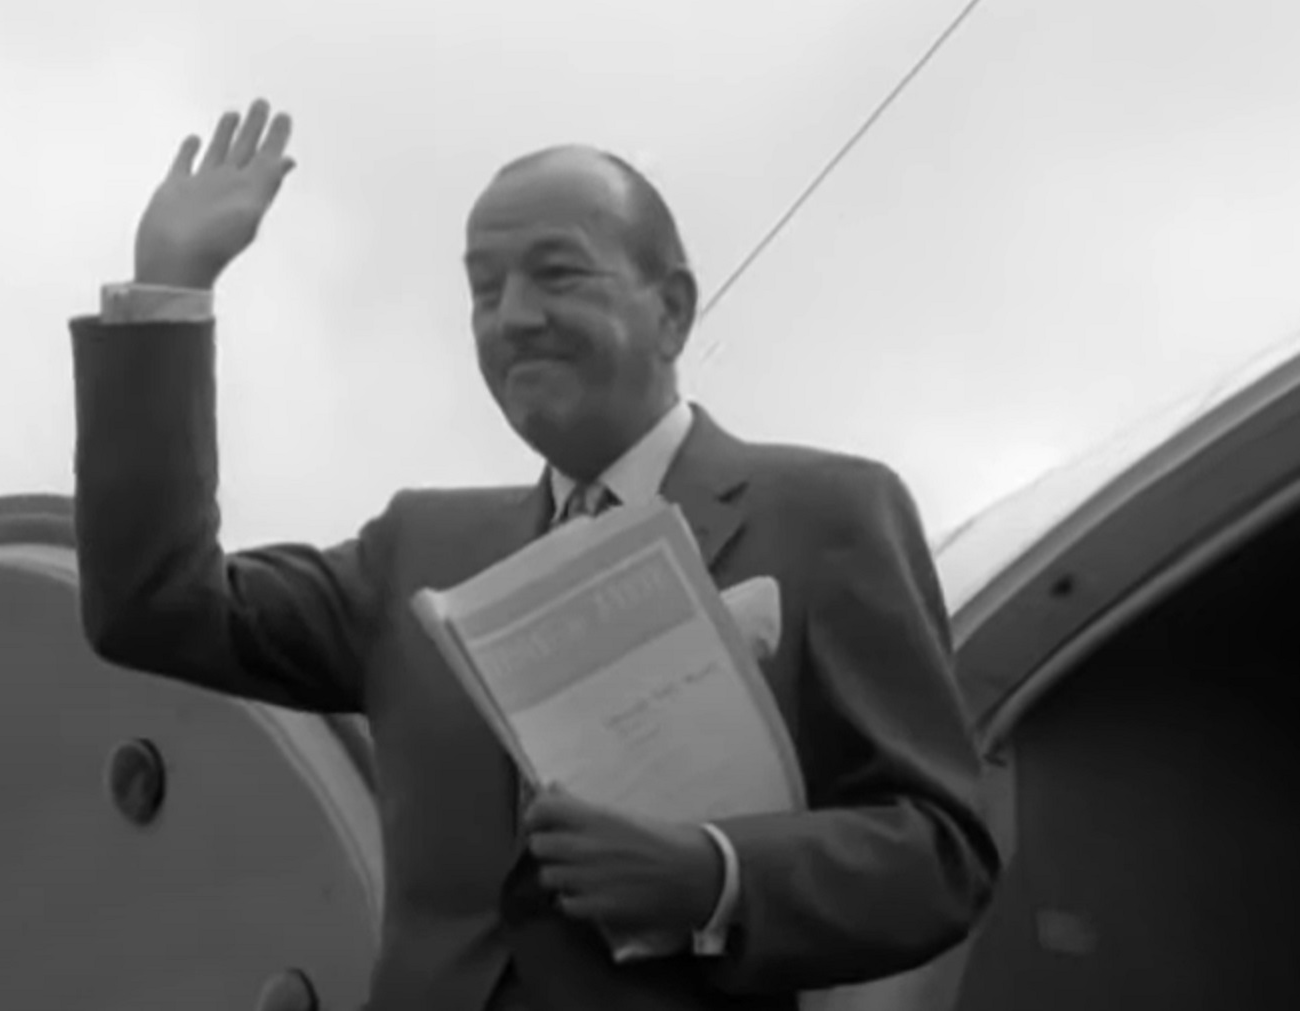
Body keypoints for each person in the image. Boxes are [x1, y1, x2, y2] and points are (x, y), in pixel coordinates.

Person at [69, 98, 999, 1011]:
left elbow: (939, 853)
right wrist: (170, 292)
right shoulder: (416, 553)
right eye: (483, 288)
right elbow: (155, 603)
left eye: (557, 274)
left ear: (671, 309)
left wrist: (713, 875)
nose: (513, 315)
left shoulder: (827, 514)